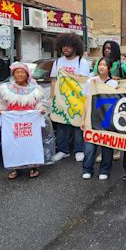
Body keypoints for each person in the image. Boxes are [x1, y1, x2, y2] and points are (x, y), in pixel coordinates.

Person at [0, 62, 50, 179]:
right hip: (13, 123)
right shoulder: (5, 89)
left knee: (31, 143)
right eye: (16, 72)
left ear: (27, 74)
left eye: (22, 72)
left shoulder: (35, 89)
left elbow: (40, 102)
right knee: (13, 144)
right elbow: (1, 103)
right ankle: (15, 167)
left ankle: (33, 166)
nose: (19, 74)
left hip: (30, 122)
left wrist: (41, 109)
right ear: (13, 74)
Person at [51, 33, 91, 163]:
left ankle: (79, 150)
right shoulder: (57, 62)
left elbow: (84, 81)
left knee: (77, 124)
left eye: (68, 46)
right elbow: (53, 80)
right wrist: (52, 98)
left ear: (75, 47)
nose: (65, 49)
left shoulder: (82, 62)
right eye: (63, 46)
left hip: (77, 99)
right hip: (61, 99)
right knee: (61, 124)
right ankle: (63, 150)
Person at [80, 58, 119, 180]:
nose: (101, 67)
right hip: (92, 118)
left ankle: (105, 170)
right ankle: (87, 168)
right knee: (89, 146)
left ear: (109, 68)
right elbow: (87, 101)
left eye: (104, 65)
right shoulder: (91, 82)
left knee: (107, 146)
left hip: (107, 119)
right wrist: (83, 118)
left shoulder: (114, 84)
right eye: (100, 65)